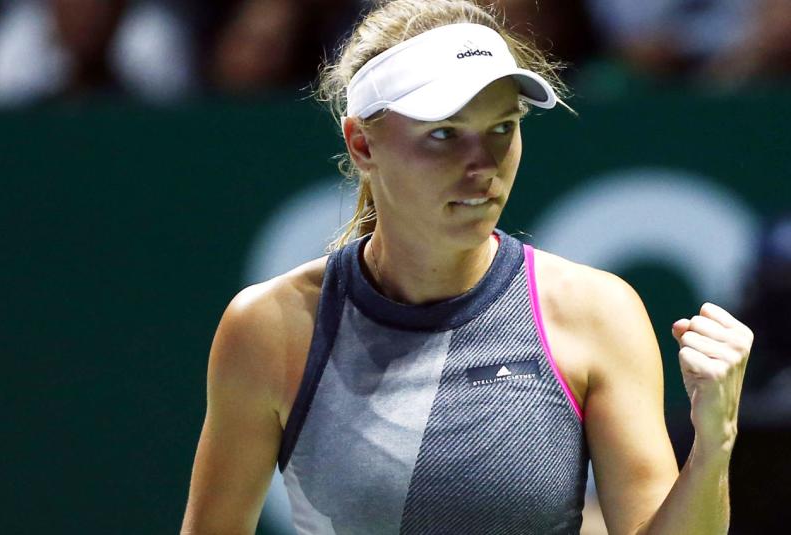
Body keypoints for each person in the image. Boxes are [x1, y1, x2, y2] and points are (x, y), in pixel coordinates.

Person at [181, 1, 753, 533]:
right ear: (362, 145)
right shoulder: (268, 328)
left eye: (503, 127)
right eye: (444, 134)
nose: (483, 164)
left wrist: (714, 444)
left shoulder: (598, 313)